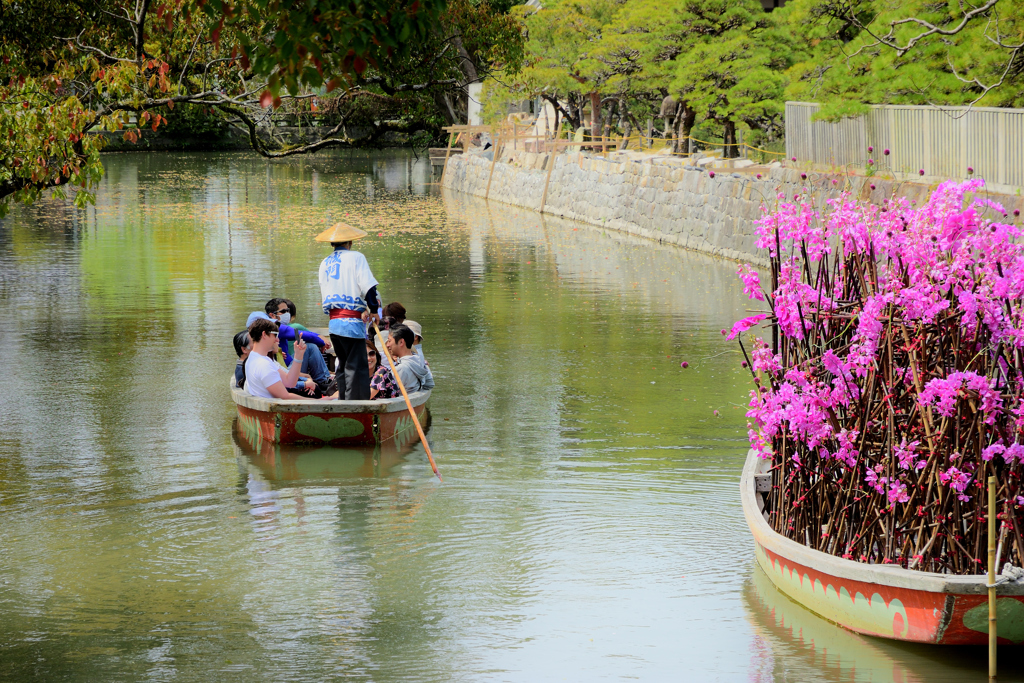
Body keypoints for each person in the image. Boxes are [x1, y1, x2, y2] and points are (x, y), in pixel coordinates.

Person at [317, 221, 380, 400]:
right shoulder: (356, 257)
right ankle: (356, 405)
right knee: (357, 367)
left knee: (343, 364)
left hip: (334, 324)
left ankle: (343, 399)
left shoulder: (324, 263)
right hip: (351, 322)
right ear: (350, 243)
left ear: (332, 244)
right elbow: (368, 287)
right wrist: (374, 310)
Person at [244, 318, 312, 400]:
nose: (277, 339)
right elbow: (285, 396)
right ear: (264, 334)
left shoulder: (257, 357)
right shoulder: (263, 364)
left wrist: (298, 356)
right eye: (275, 335)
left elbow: (290, 382)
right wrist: (319, 401)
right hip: (272, 410)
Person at [384, 324, 434, 393]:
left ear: (401, 342)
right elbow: (430, 384)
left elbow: (386, 392)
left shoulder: (400, 369)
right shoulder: (419, 360)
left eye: (389, 341)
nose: (387, 345)